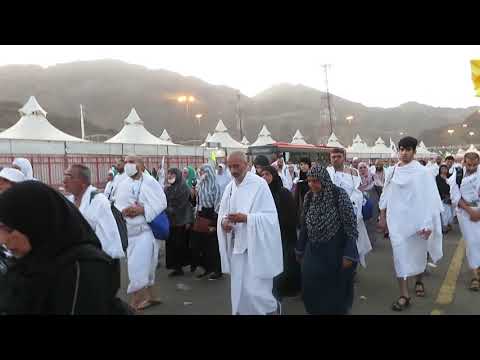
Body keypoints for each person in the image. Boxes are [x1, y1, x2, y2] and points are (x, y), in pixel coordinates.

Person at [0, 181, 122, 314]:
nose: (2, 240)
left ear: (35, 224)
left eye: (9, 229)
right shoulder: (27, 263)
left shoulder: (81, 270)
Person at [378, 137, 443, 311]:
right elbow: (385, 195)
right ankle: (404, 295)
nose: (404, 152)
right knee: (399, 257)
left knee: (417, 254)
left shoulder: (423, 173)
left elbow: (431, 200)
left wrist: (428, 224)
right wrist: (382, 216)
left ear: (414, 152)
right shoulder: (391, 171)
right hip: (397, 222)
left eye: (408, 149)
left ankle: (419, 281)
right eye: (401, 149)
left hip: (417, 222)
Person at [217, 151, 283, 315]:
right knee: (241, 291)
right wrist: (225, 223)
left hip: (257, 248)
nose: (233, 170)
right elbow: (223, 215)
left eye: (236, 166)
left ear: (246, 165)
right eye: (230, 166)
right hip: (238, 248)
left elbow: (270, 218)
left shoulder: (259, 185)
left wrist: (247, 218)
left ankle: (273, 309)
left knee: (257, 292)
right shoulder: (230, 187)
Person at [295, 165, 359, 315]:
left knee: (333, 288)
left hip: (334, 249)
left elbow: (350, 225)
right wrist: (300, 249)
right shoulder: (309, 197)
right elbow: (304, 225)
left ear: (324, 180)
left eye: (316, 181)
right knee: (310, 283)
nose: (312, 185)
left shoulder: (339, 195)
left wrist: (349, 253)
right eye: (309, 181)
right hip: (313, 249)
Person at [114, 155, 167, 311]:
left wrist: (142, 209)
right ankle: (154, 297)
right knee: (145, 269)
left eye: (132, 162)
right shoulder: (122, 182)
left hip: (145, 233)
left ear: (141, 166)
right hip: (129, 234)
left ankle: (133, 306)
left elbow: (161, 202)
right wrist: (124, 212)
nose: (128, 165)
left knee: (138, 272)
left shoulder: (150, 182)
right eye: (127, 162)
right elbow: (118, 204)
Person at [63, 164, 125, 286]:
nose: (64, 180)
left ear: (82, 182)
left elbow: (109, 238)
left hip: (100, 263)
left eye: (69, 176)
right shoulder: (69, 200)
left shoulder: (99, 201)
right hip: (79, 263)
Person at [327, 148, 372, 268]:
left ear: (344, 158)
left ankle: (352, 268)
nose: (336, 159)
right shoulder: (327, 173)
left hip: (353, 212)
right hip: (333, 215)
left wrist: (351, 203)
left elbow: (358, 191)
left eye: (338, 156)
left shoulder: (353, 172)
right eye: (333, 157)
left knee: (354, 242)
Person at [261, 166, 301, 300]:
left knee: (286, 260)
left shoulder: (283, 192)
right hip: (269, 234)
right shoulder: (262, 193)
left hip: (284, 233)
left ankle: (288, 288)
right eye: (262, 175)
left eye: (267, 174)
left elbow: (291, 214)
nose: (264, 177)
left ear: (274, 175)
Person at [449, 152, 480, 291]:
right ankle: (475, 276)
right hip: (465, 213)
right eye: (469, 165)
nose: (472, 167)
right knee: (472, 242)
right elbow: (455, 197)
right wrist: (470, 211)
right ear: (464, 162)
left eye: (475, 165)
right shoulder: (458, 175)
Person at [191, 164, 223, 280]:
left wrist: (214, 223)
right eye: (200, 171)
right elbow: (195, 200)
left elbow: (218, 204)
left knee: (213, 246)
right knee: (201, 245)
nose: (201, 173)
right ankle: (206, 268)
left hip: (211, 215)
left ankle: (217, 270)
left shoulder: (216, 186)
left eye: (203, 171)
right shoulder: (201, 184)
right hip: (200, 215)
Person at [164, 168, 194, 277]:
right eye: (169, 174)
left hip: (181, 220)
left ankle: (180, 267)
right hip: (171, 221)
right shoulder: (168, 188)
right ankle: (175, 267)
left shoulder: (183, 187)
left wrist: (168, 209)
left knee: (180, 244)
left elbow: (182, 205)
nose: (170, 176)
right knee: (171, 244)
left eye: (172, 174)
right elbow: (164, 201)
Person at [358, 162, 380, 248]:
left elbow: (380, 188)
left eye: (364, 167)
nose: (362, 169)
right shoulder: (356, 178)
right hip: (361, 203)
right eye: (360, 168)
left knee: (372, 222)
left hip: (373, 202)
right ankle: (363, 243)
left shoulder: (373, 176)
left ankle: (371, 242)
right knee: (362, 223)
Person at [436, 164, 454, 234]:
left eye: (445, 168)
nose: (444, 170)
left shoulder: (450, 176)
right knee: (444, 213)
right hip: (442, 197)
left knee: (450, 213)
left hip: (450, 196)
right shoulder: (437, 177)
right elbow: (439, 187)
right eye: (442, 168)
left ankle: (449, 224)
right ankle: (444, 227)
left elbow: (452, 186)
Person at [294, 157, 311, 226]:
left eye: (305, 164)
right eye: (301, 164)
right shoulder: (299, 180)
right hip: (302, 207)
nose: (303, 166)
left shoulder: (313, 178)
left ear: (309, 165)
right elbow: (297, 197)